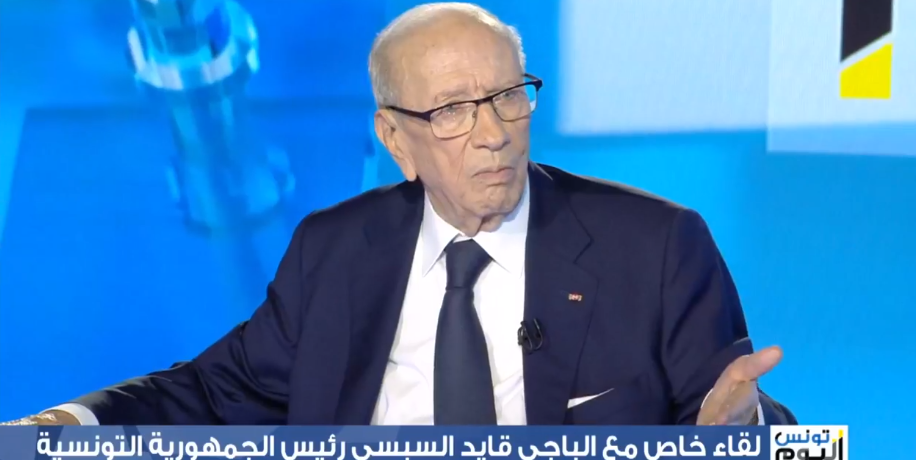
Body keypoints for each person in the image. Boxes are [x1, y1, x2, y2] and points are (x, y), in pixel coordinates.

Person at [4, 2, 795, 427]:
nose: (493, 133)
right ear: (395, 140)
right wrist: (69, 424)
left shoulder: (655, 246)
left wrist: (749, 431)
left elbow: (743, 414)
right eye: (452, 111)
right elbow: (211, 394)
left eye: (509, 97)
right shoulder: (335, 251)